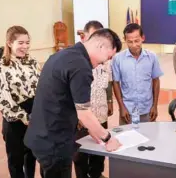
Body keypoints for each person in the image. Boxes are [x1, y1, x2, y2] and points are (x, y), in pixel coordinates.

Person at [24, 28, 122, 178]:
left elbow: (64, 99)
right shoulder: (81, 66)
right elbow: (84, 112)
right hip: (55, 142)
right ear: (100, 46)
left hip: (41, 135)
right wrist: (107, 138)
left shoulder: (62, 55)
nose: (103, 63)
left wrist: (91, 129)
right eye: (107, 58)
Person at [0, 26, 42, 178]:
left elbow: (41, 87)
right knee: (16, 160)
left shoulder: (31, 61)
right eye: (20, 43)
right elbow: (3, 100)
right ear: (9, 43)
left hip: (35, 113)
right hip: (15, 119)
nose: (25, 47)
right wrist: (26, 118)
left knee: (32, 156)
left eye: (27, 42)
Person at [73, 20, 113, 178]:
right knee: (81, 152)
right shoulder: (76, 59)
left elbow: (108, 81)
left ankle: (97, 173)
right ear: (85, 36)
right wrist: (76, 115)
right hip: (82, 116)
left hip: (101, 110)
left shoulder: (106, 57)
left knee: (100, 148)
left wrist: (109, 101)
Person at [112, 23, 163, 125]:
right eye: (130, 42)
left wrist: (155, 106)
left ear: (142, 38)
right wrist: (121, 107)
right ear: (124, 39)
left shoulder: (152, 57)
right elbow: (116, 83)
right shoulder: (118, 59)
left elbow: (156, 81)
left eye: (137, 41)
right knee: (126, 139)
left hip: (147, 109)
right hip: (127, 110)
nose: (134, 45)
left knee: (149, 138)